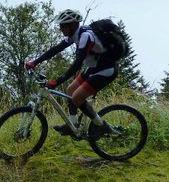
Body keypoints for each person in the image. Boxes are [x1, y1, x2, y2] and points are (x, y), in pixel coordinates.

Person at [25, 8, 116, 138]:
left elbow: (76, 65)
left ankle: (101, 126)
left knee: (77, 97)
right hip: (93, 68)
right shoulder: (75, 35)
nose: (60, 29)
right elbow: (56, 49)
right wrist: (34, 62)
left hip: (105, 70)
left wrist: (56, 82)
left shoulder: (85, 37)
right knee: (70, 91)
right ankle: (72, 125)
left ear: (72, 25)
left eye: (62, 26)